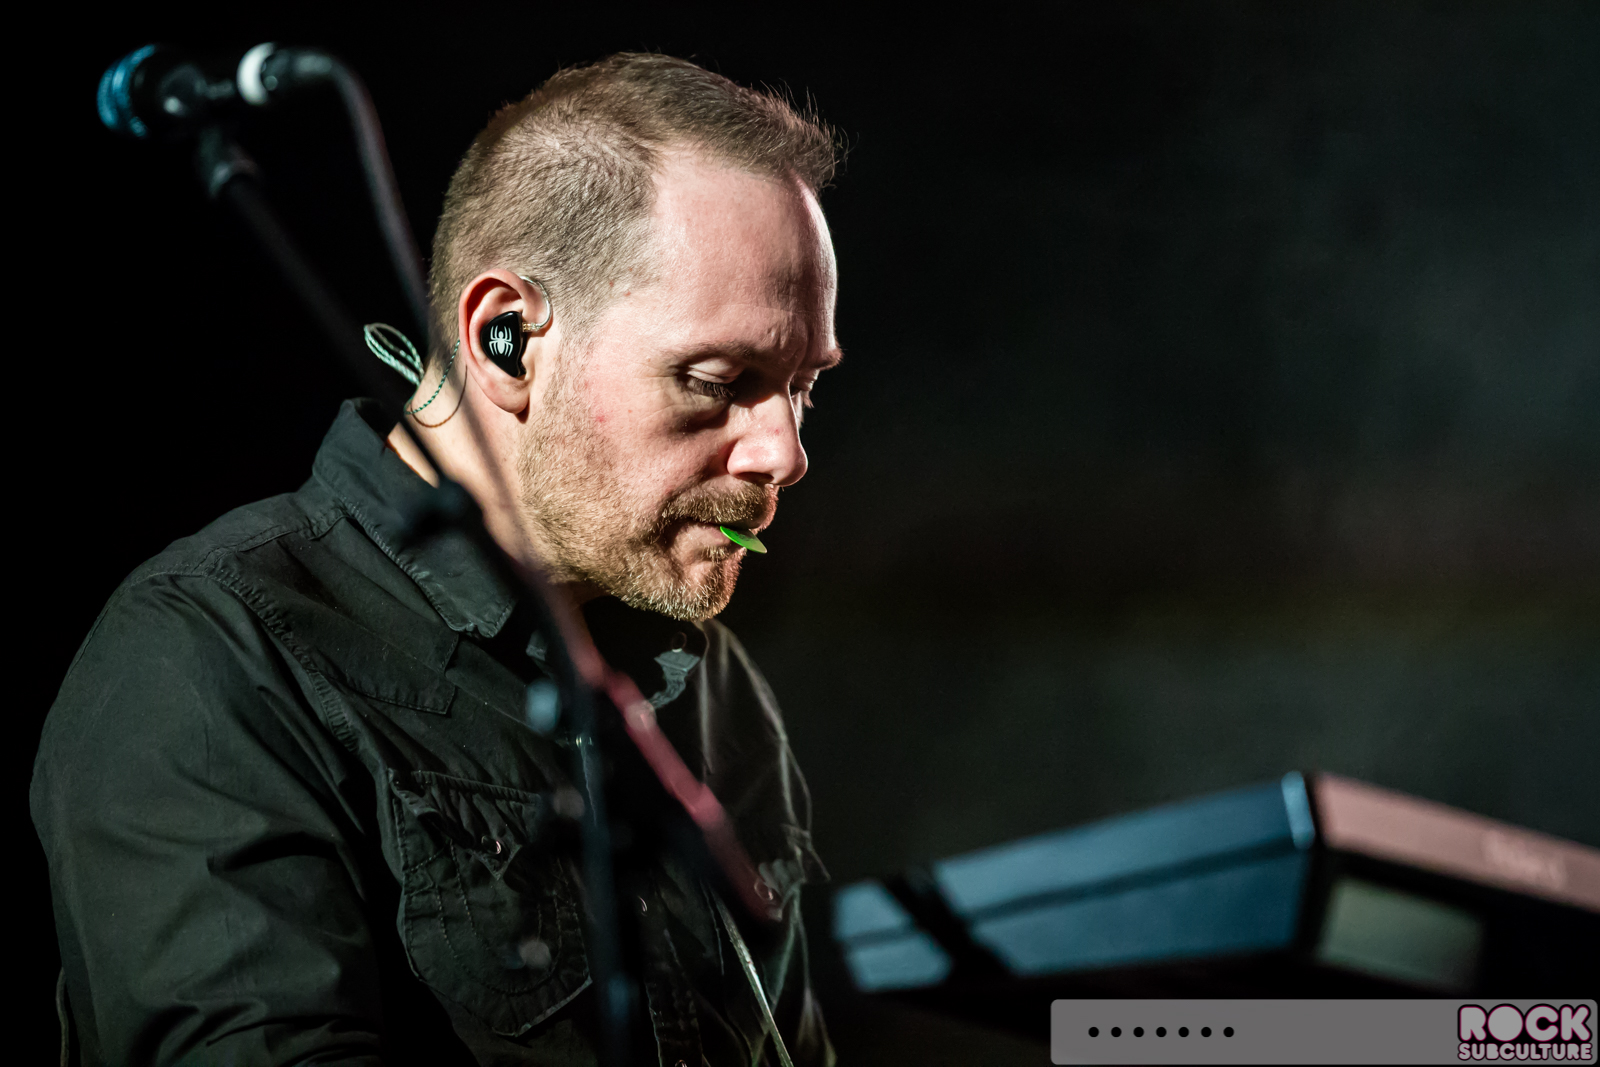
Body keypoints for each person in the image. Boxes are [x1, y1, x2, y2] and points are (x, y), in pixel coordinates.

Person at [32, 53, 842, 1066]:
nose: (784, 453)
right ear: (507, 337)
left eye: (803, 386)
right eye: (720, 379)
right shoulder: (209, 654)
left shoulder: (711, 684)